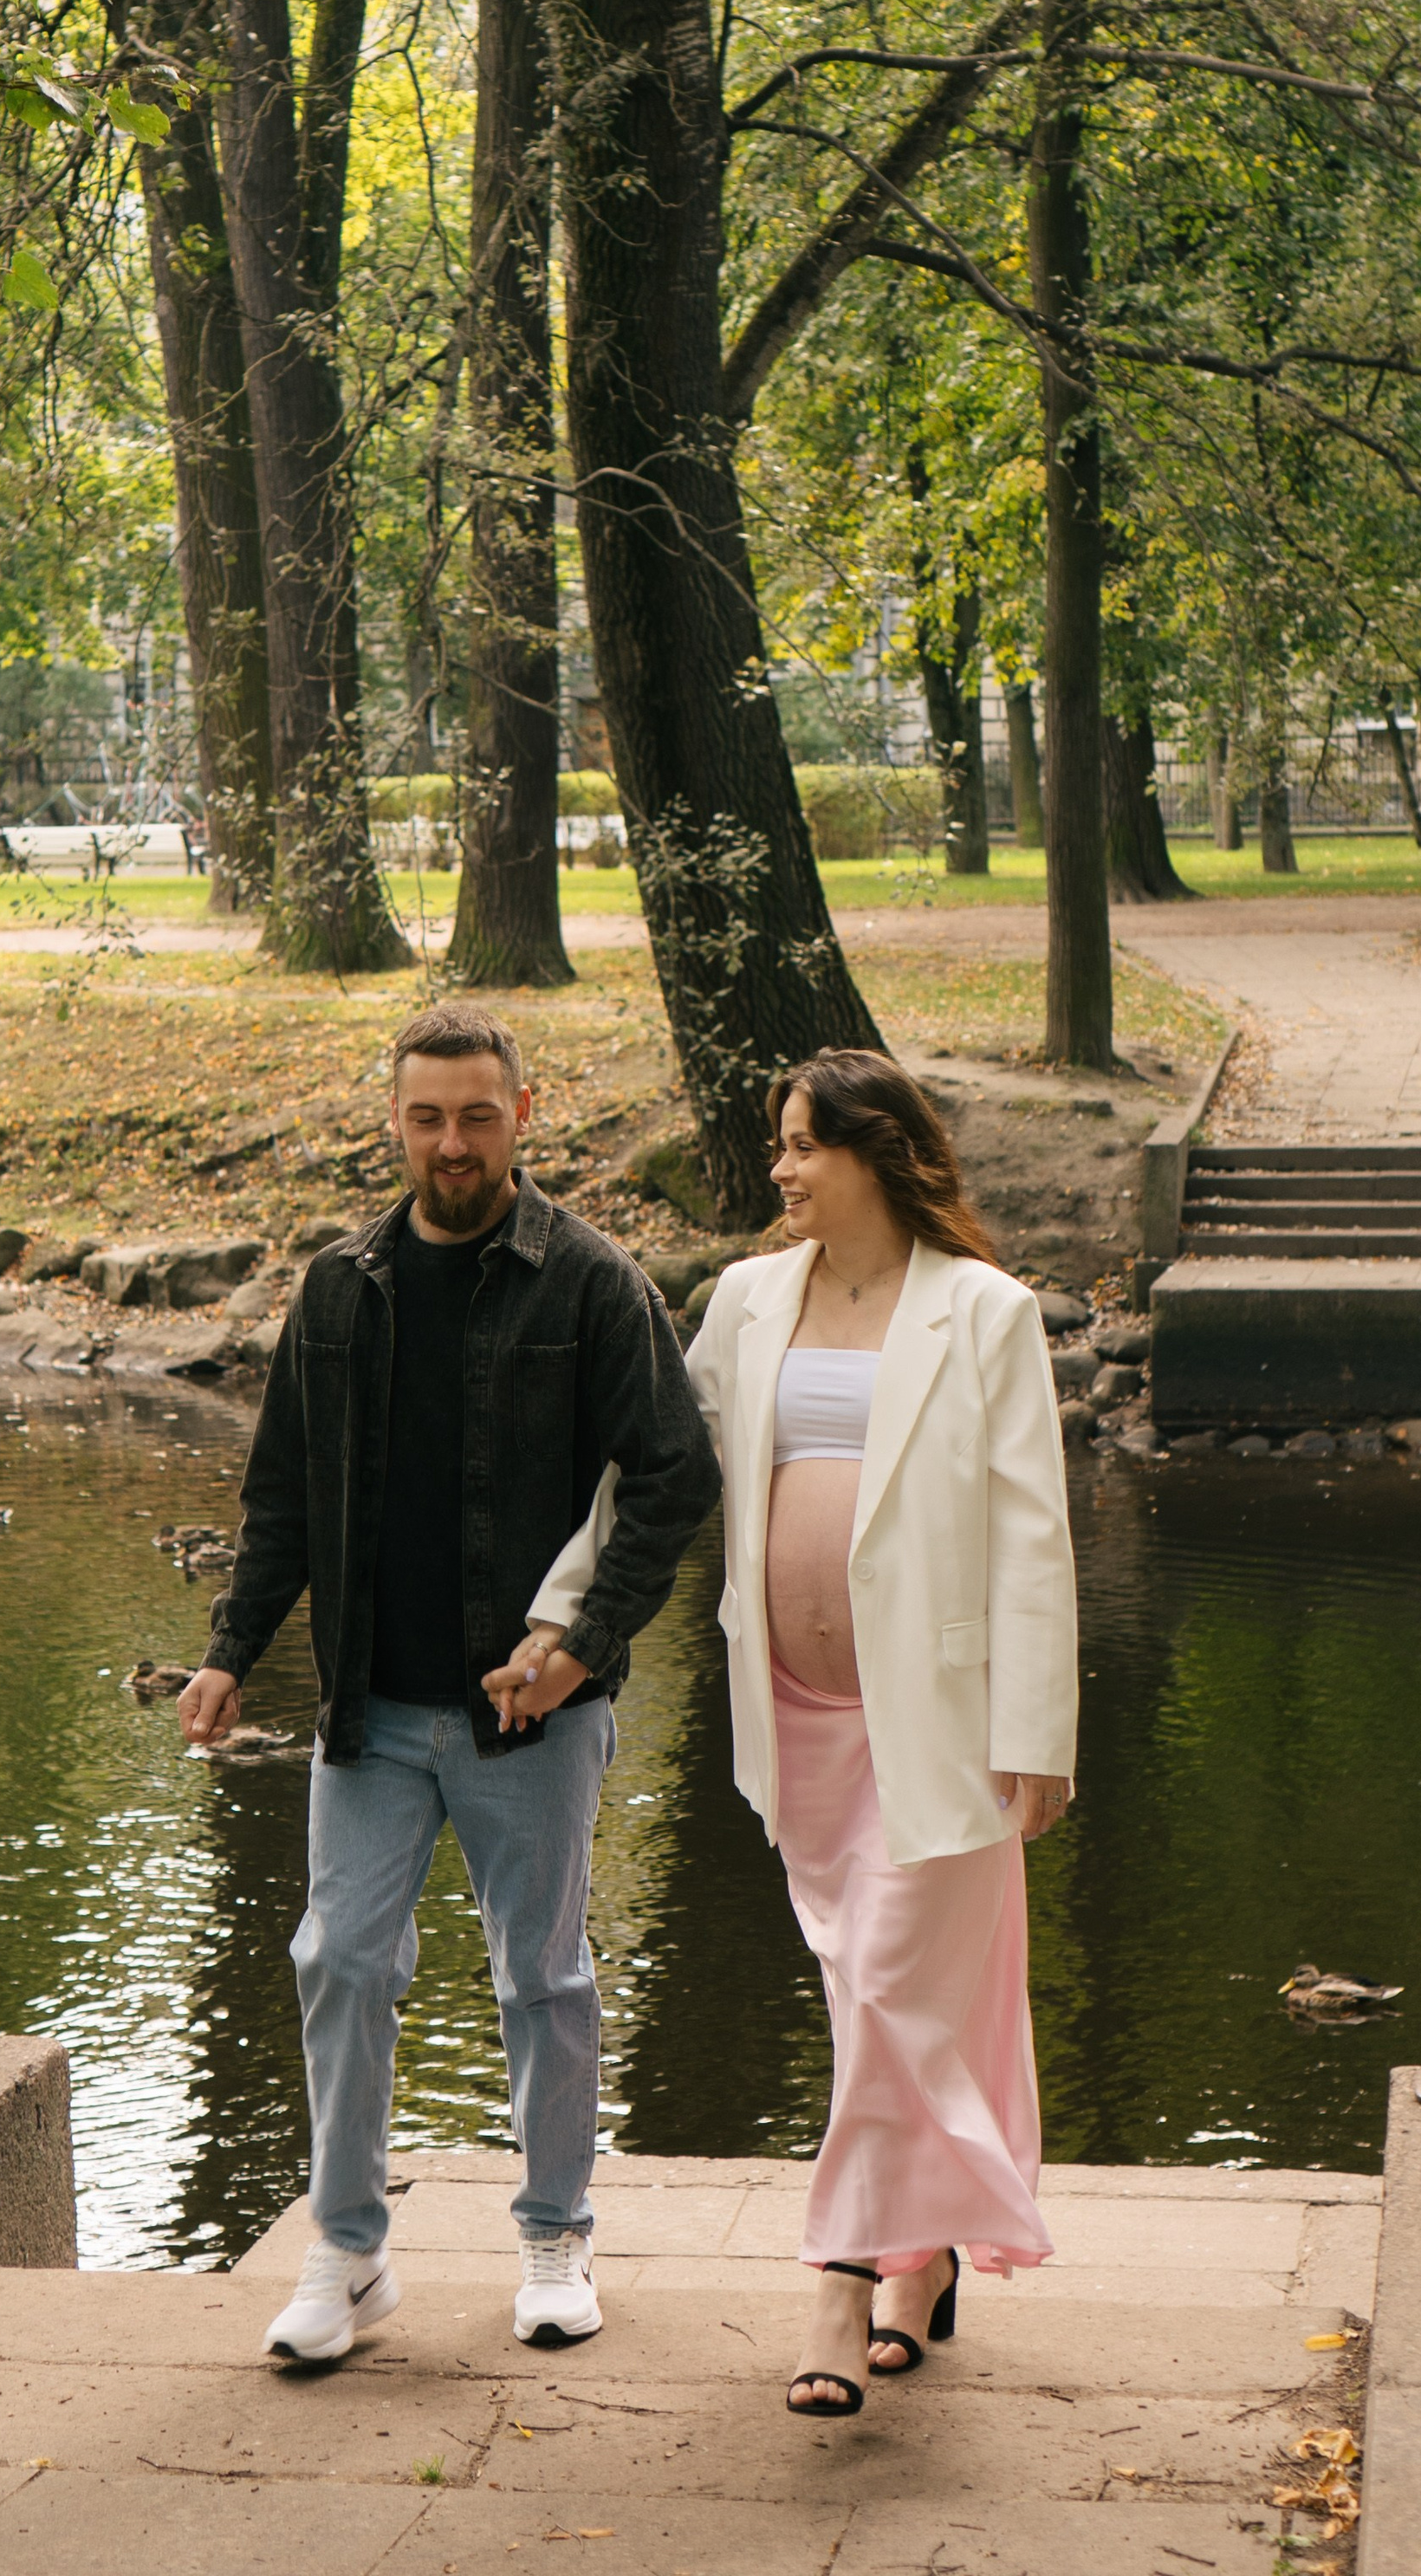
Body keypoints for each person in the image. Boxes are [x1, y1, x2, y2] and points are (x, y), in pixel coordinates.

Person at [496, 1047, 1078, 2423]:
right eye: (781, 1145)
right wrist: (563, 1623)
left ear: (879, 1151)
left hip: (937, 1721)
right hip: (797, 1718)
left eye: (805, 1144)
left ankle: (838, 2274)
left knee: (885, 1985)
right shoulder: (749, 1303)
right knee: (868, 1993)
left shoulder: (984, 1313)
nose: (781, 1169)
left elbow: (1032, 1532)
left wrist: (1039, 1728)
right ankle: (917, 2256)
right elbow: (653, 1479)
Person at [178, 1000, 719, 2368]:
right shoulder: (339, 1285)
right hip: (366, 1708)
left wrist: (586, 1644)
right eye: (428, 1117)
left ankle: (554, 2234)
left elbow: (675, 1475)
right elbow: (284, 1492)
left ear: (522, 1116)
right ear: (396, 1122)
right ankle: (349, 2255)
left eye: (479, 1115)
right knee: (339, 1962)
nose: (453, 1143)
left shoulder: (591, 1284)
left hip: (530, 1713)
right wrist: (234, 1649)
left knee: (540, 1977)